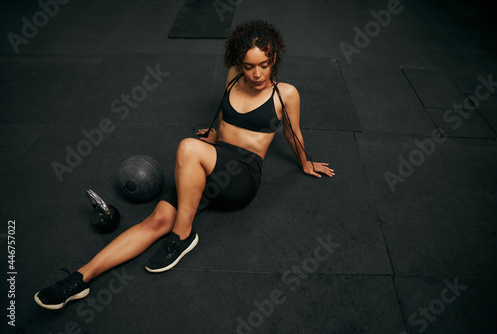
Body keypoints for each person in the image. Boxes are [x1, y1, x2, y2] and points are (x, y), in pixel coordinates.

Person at [34, 20, 335, 310]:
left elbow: (291, 132)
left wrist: (305, 162)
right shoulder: (233, 76)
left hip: (242, 176)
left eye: (264, 65)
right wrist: (213, 138)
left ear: (275, 59)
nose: (257, 74)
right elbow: (223, 119)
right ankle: (78, 279)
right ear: (238, 63)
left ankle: (183, 236)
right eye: (249, 66)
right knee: (155, 222)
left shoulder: (286, 93)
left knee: (188, 147)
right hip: (209, 165)